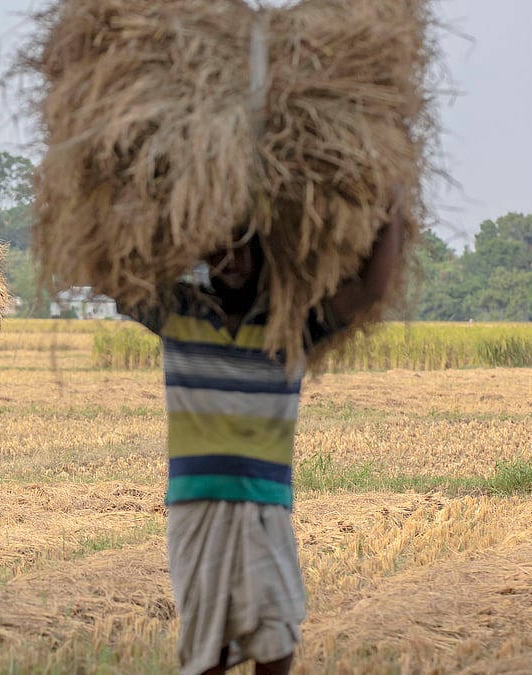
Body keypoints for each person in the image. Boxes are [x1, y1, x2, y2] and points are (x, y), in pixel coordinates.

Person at [129, 203, 405, 675]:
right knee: (206, 649)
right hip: (197, 504)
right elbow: (117, 278)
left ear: (265, 254)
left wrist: (392, 206)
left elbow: (369, 289)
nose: (231, 260)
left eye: (244, 248)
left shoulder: (292, 324)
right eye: (220, 248)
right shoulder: (177, 310)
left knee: (276, 635)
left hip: (266, 503)